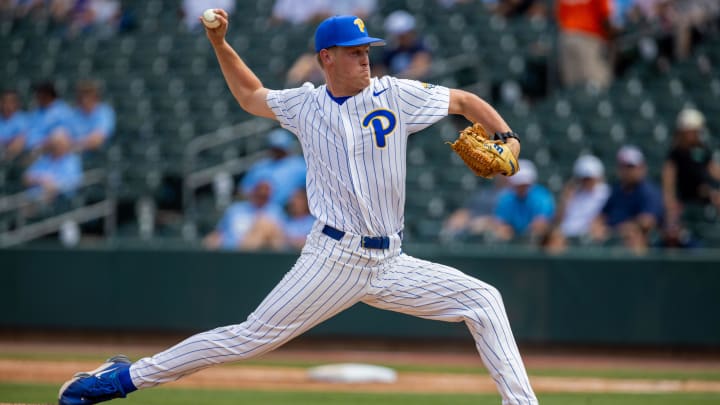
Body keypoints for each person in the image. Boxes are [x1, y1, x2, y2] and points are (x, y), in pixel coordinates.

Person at [58, 12, 538, 405]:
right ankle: (124, 378)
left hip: (391, 261)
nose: (364, 59)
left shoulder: (397, 94)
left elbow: (464, 100)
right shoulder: (303, 106)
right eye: (354, 52)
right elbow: (249, 95)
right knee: (248, 339)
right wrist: (221, 44)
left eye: (367, 49)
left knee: (483, 300)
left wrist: (506, 137)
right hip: (332, 260)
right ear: (326, 58)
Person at [590, 145, 663, 254]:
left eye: (631, 166)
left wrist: (613, 231)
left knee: (634, 237)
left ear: (642, 168)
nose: (627, 171)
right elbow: (602, 215)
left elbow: (647, 221)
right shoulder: (616, 190)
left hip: (634, 239)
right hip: (612, 238)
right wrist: (596, 226)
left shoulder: (649, 192)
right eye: (623, 166)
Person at [662, 108, 720, 226]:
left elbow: (714, 170)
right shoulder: (676, 154)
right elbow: (668, 178)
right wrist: (670, 202)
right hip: (686, 198)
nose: (696, 134)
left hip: (707, 195)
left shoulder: (702, 150)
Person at [202, 180, 285, 251]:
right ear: (253, 192)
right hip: (230, 250)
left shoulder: (275, 211)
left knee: (264, 226)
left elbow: (280, 238)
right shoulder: (235, 210)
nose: (262, 195)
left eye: (265, 194)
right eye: (259, 192)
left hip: (258, 254)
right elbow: (219, 232)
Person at [239, 127, 306, 207]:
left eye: (280, 148)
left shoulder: (299, 164)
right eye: (274, 148)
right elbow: (244, 190)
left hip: (291, 212)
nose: (277, 151)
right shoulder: (260, 166)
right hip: (262, 210)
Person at [556, 0, 614, 89]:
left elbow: (559, 15)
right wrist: (611, 36)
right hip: (588, 37)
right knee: (597, 83)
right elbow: (604, 17)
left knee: (573, 85)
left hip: (566, 37)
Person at [493, 159, 555, 242]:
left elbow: (542, 222)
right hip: (512, 238)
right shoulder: (507, 198)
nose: (522, 187)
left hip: (535, 239)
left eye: (525, 184)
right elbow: (500, 223)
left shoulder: (542, 196)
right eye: (519, 184)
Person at [557, 154, 610, 240]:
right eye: (584, 178)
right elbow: (559, 220)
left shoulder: (605, 193)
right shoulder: (572, 193)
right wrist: (565, 200)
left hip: (590, 237)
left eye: (590, 178)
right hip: (567, 236)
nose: (587, 181)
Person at [440, 175, 508, 241]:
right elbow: (466, 211)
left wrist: (487, 222)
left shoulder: (511, 197)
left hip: (493, 228)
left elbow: (504, 221)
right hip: (472, 225)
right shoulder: (484, 193)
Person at [22, 129, 82, 202]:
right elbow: (26, 178)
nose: (56, 146)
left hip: (60, 199)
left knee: (49, 193)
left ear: (66, 144)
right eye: (54, 144)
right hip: (33, 197)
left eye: (59, 144)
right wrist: (40, 179)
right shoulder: (44, 159)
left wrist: (52, 184)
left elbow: (73, 182)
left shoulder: (72, 161)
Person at [373, 10, 432, 80]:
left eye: (403, 35)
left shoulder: (420, 45)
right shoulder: (390, 51)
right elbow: (377, 73)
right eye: (399, 36)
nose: (402, 38)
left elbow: (420, 70)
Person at [24, 81, 76, 153]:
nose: (37, 96)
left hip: (53, 151)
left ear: (48, 94)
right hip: (33, 150)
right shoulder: (36, 112)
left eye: (39, 93)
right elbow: (29, 134)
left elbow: (65, 134)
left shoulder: (62, 110)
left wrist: (46, 143)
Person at [70, 80, 116, 152]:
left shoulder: (104, 112)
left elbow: (98, 140)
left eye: (88, 94)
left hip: (99, 155)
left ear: (95, 97)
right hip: (75, 155)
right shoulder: (74, 113)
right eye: (82, 95)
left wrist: (74, 145)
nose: (85, 99)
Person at [0, 89, 28, 161]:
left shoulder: (22, 119)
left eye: (11, 101)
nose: (7, 105)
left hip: (13, 155)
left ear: (17, 104)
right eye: (4, 101)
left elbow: (20, 140)